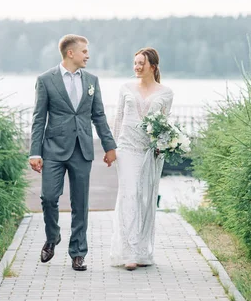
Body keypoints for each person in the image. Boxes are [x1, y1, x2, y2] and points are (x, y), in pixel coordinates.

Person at [29, 34, 117, 271]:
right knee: (48, 197)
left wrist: (109, 146)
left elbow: (98, 115)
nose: (88, 55)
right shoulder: (46, 80)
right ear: (71, 53)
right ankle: (52, 236)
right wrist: (34, 152)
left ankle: (78, 252)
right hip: (53, 149)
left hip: (82, 149)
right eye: (84, 51)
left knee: (81, 203)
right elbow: (39, 118)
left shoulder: (92, 80)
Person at [110, 47, 173, 270]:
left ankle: (141, 251)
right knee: (129, 193)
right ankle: (128, 252)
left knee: (145, 198)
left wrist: (162, 146)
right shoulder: (125, 88)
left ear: (153, 67)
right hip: (126, 148)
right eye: (135, 63)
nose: (137, 67)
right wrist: (112, 148)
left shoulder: (166, 93)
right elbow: (118, 118)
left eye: (141, 64)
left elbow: (164, 124)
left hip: (149, 152)